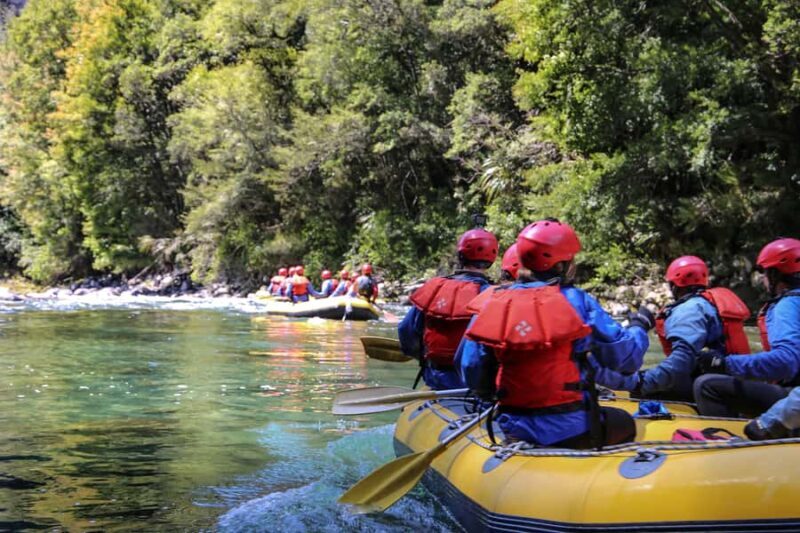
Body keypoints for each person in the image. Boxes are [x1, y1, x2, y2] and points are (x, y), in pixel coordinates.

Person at [457, 219, 652, 448]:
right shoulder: (578, 302)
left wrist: (493, 393)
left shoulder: (493, 303)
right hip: (573, 431)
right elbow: (627, 359)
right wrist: (639, 326)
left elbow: (470, 367)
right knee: (625, 423)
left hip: (513, 427)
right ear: (560, 266)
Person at [694, 238, 800, 417]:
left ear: (775, 275)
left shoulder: (788, 305)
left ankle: (729, 434)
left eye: (765, 272)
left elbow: (787, 362)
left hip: (794, 399)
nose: (763, 278)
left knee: (706, 385)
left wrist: (724, 363)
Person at [625, 256, 750, 401]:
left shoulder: (689, 309)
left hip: (712, 386)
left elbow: (682, 360)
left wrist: (642, 382)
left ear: (674, 285)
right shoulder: (708, 304)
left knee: (639, 389)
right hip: (732, 380)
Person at [399, 227, 498, 390]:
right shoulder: (494, 297)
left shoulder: (434, 288)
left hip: (434, 378)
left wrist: (420, 355)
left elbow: (405, 331)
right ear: (492, 260)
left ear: (460, 255)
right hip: (472, 386)